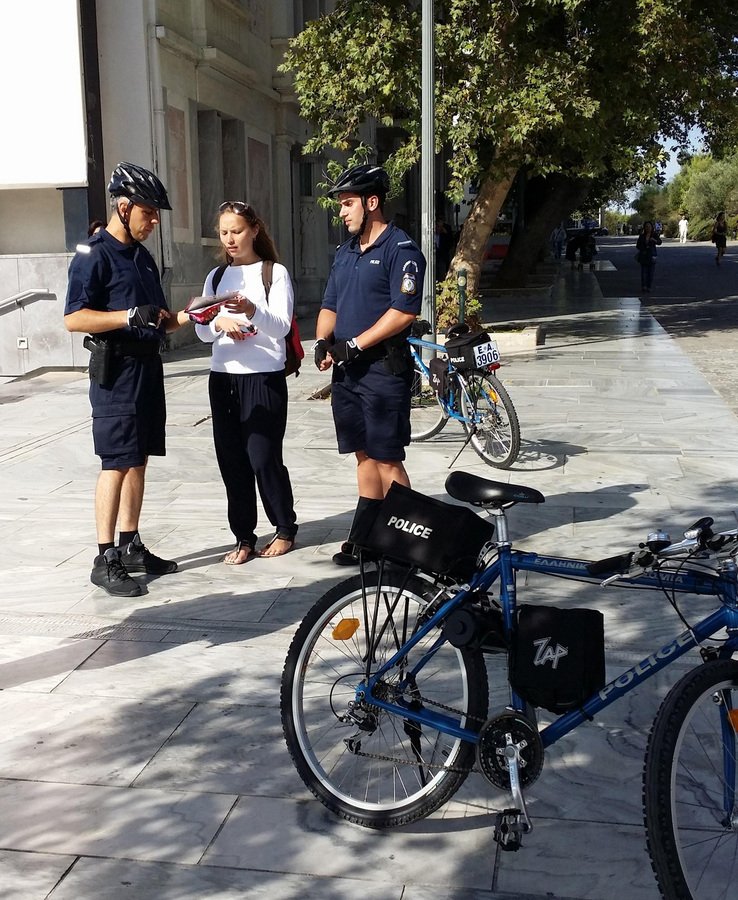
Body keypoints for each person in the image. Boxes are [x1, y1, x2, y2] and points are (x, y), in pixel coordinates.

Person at [64, 162, 192, 597]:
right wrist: (124, 316)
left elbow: (158, 320)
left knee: (138, 459)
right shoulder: (93, 253)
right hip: (115, 372)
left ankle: (131, 544)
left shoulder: (142, 257)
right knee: (116, 462)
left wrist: (190, 316)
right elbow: (73, 318)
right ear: (124, 206)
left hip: (146, 369)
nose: (154, 221)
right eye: (149, 212)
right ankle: (105, 558)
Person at [315, 163, 426, 566]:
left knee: (386, 458)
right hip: (348, 374)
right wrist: (323, 341)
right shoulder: (345, 252)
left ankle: (408, 544)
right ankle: (367, 536)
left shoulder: (402, 251)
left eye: (348, 204)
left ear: (372, 202)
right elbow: (330, 303)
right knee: (363, 454)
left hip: (382, 371)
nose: (342, 212)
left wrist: (355, 345)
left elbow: (403, 312)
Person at [194, 202, 297, 565]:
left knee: (263, 457)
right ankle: (243, 537)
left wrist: (251, 309)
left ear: (254, 229)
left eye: (236, 230)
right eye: (224, 232)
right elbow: (201, 328)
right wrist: (218, 324)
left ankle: (284, 527)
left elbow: (282, 326)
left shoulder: (274, 273)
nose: (230, 239)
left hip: (263, 377)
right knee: (232, 461)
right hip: (223, 378)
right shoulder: (217, 277)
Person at [636, 220, 662, 293]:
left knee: (651, 272)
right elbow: (638, 246)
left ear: (652, 227)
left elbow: (660, 242)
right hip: (644, 255)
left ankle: (649, 286)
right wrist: (643, 247)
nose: (648, 228)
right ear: (644, 228)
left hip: (652, 255)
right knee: (644, 272)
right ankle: (644, 286)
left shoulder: (654, 235)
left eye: (649, 227)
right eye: (646, 227)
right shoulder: (642, 236)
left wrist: (654, 240)